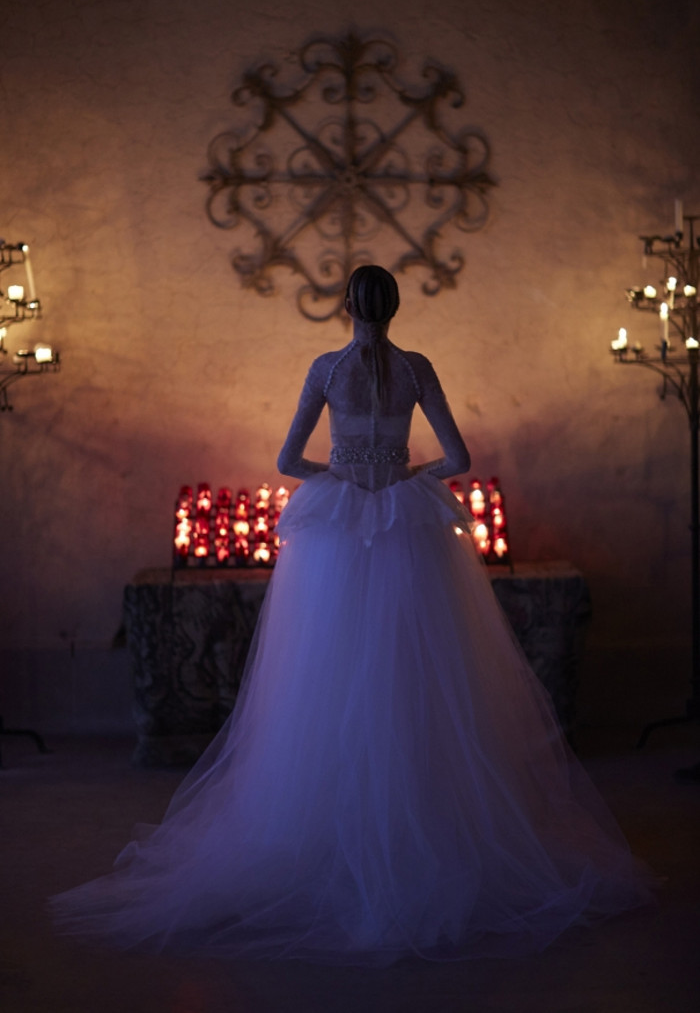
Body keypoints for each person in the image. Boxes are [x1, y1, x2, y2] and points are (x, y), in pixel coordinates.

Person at [51, 265, 656, 966]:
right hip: (404, 531)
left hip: (339, 534)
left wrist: (341, 475)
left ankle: (326, 832)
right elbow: (456, 458)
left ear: (347, 307)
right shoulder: (416, 367)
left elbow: (288, 461)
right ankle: (423, 830)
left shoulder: (327, 368)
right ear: (396, 307)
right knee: (418, 678)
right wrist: (405, 478)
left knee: (323, 679)